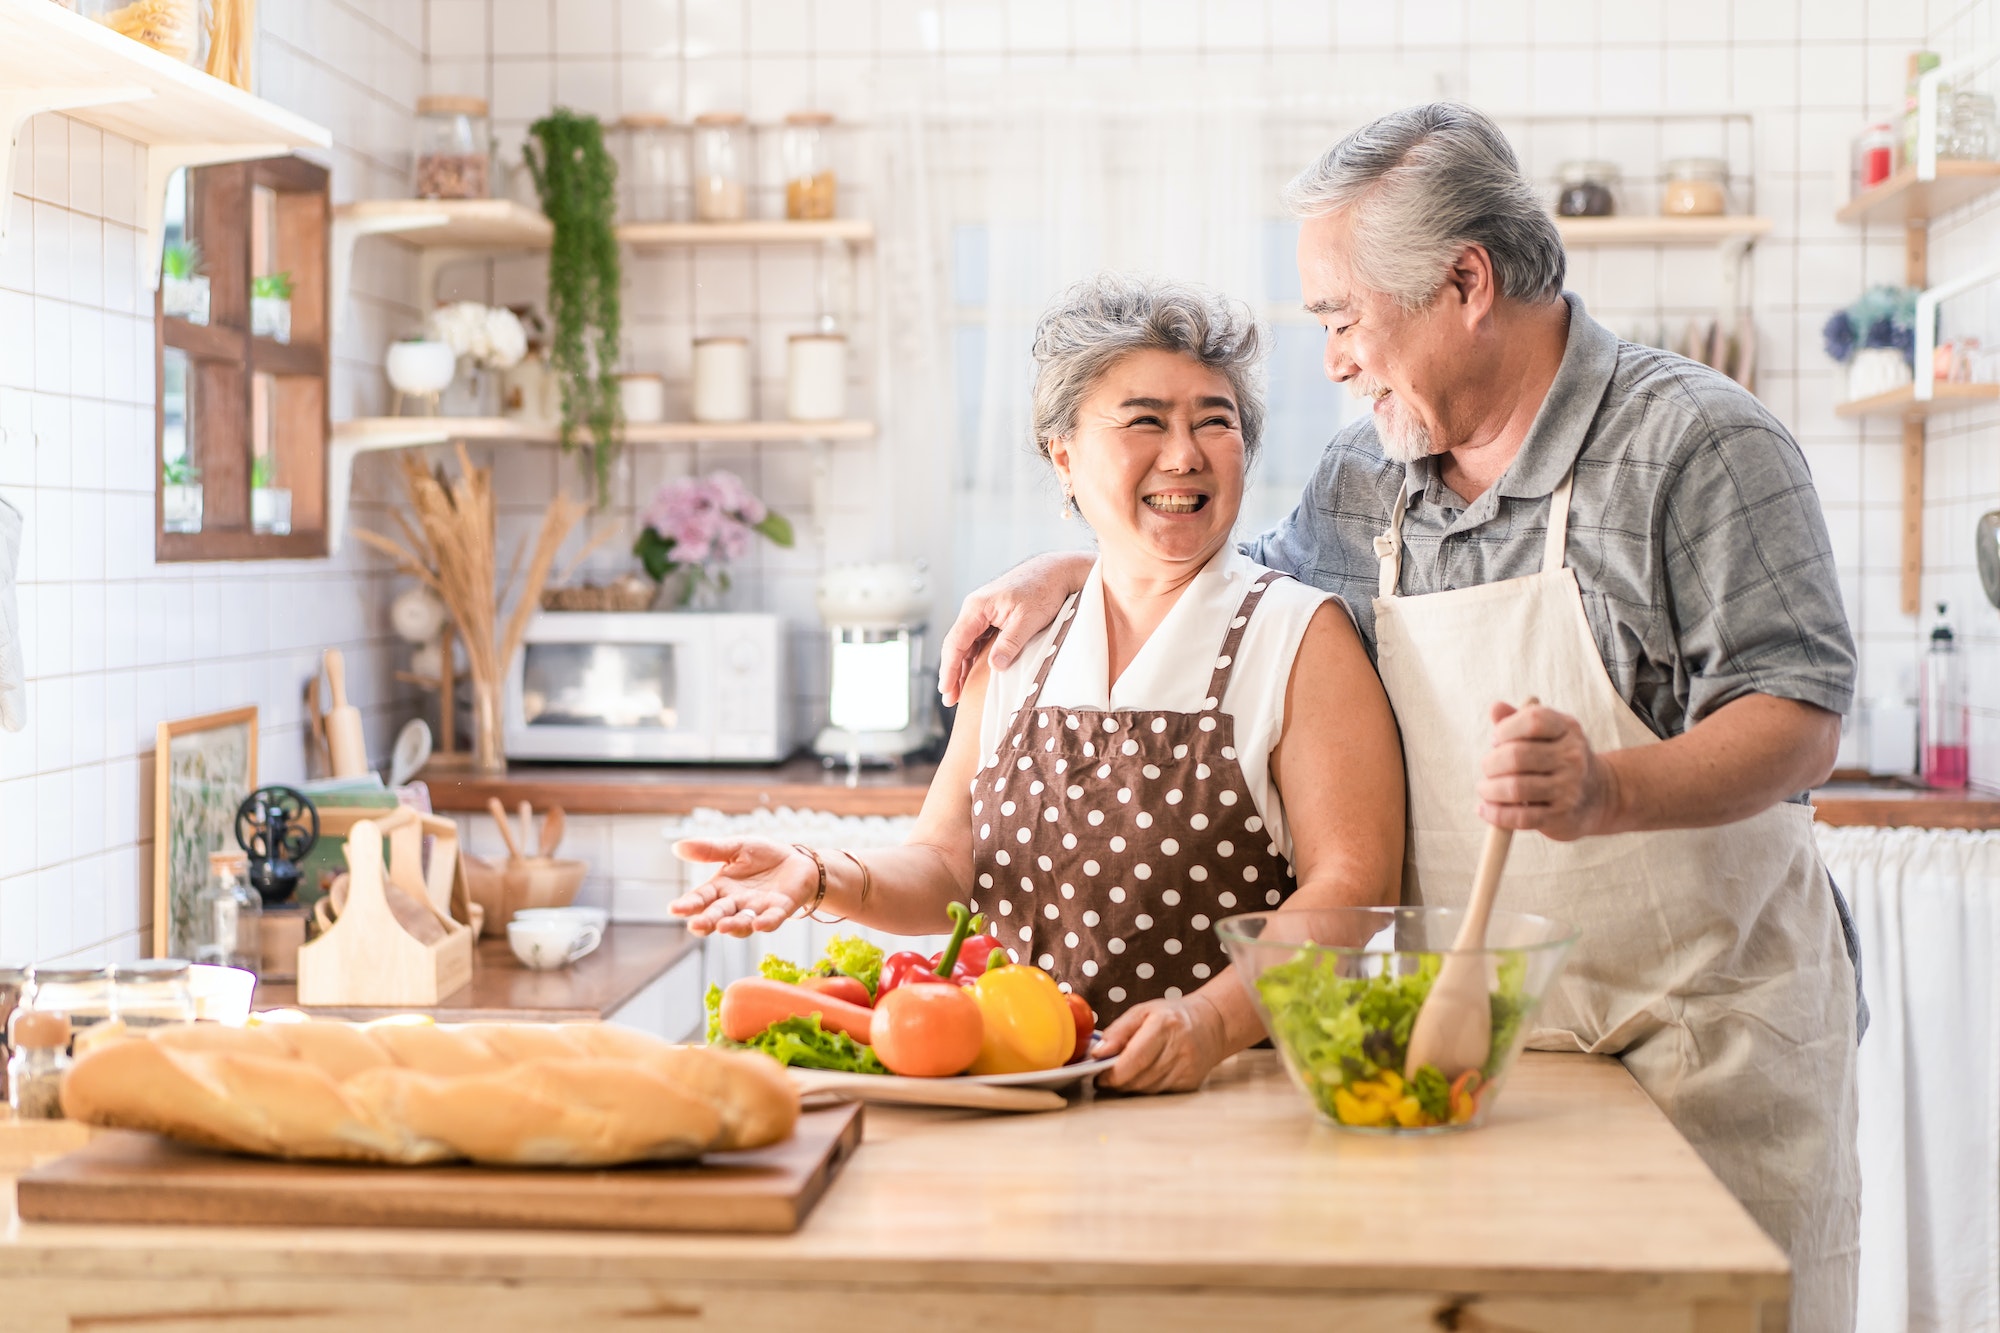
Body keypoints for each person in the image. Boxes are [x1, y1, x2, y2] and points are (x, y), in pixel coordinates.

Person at [937, 105, 1861, 1332]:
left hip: (1697, 1037)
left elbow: (1795, 712)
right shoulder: (1364, 471)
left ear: (1463, 282)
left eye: (1338, 316)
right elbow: (1223, 575)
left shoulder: (1695, 441)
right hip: (1466, 1052)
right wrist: (1063, 568)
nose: (1329, 359)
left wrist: (1607, 792)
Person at [672, 274, 1405, 1094]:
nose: (1186, 453)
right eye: (1145, 421)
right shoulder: (1019, 647)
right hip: (1022, 1093)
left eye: (1215, 422)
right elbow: (948, 867)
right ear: (1064, 454)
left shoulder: (1299, 637)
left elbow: (1354, 887)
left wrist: (1209, 1022)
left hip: (1233, 1094)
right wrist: (818, 873)